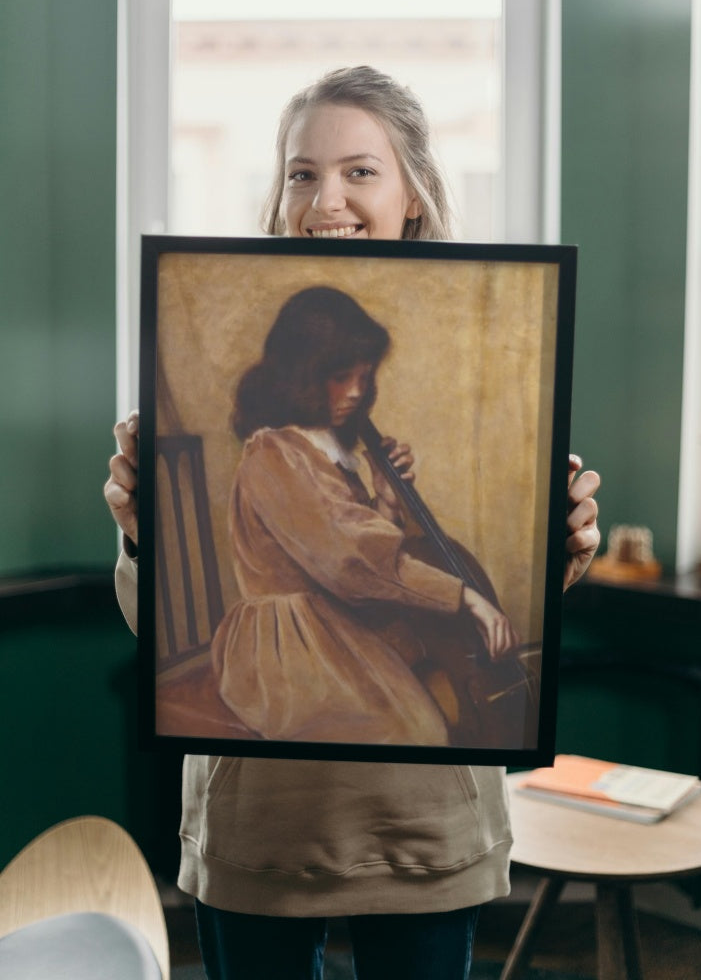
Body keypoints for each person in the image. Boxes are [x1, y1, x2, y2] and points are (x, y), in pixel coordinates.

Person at [105, 65, 601, 980]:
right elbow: (341, 561)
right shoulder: (275, 450)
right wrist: (141, 540)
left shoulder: (356, 441)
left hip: (422, 824)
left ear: (413, 193)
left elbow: (393, 550)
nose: (324, 197)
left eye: (359, 171)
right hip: (270, 811)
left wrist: (555, 553)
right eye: (301, 172)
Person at [210, 284, 517, 748]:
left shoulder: (322, 449)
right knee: (417, 732)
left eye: (364, 376)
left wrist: (387, 500)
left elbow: (360, 548)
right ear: (301, 375)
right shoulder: (274, 455)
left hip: (336, 618)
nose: (355, 392)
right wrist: (467, 597)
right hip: (289, 644)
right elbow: (352, 562)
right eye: (339, 376)